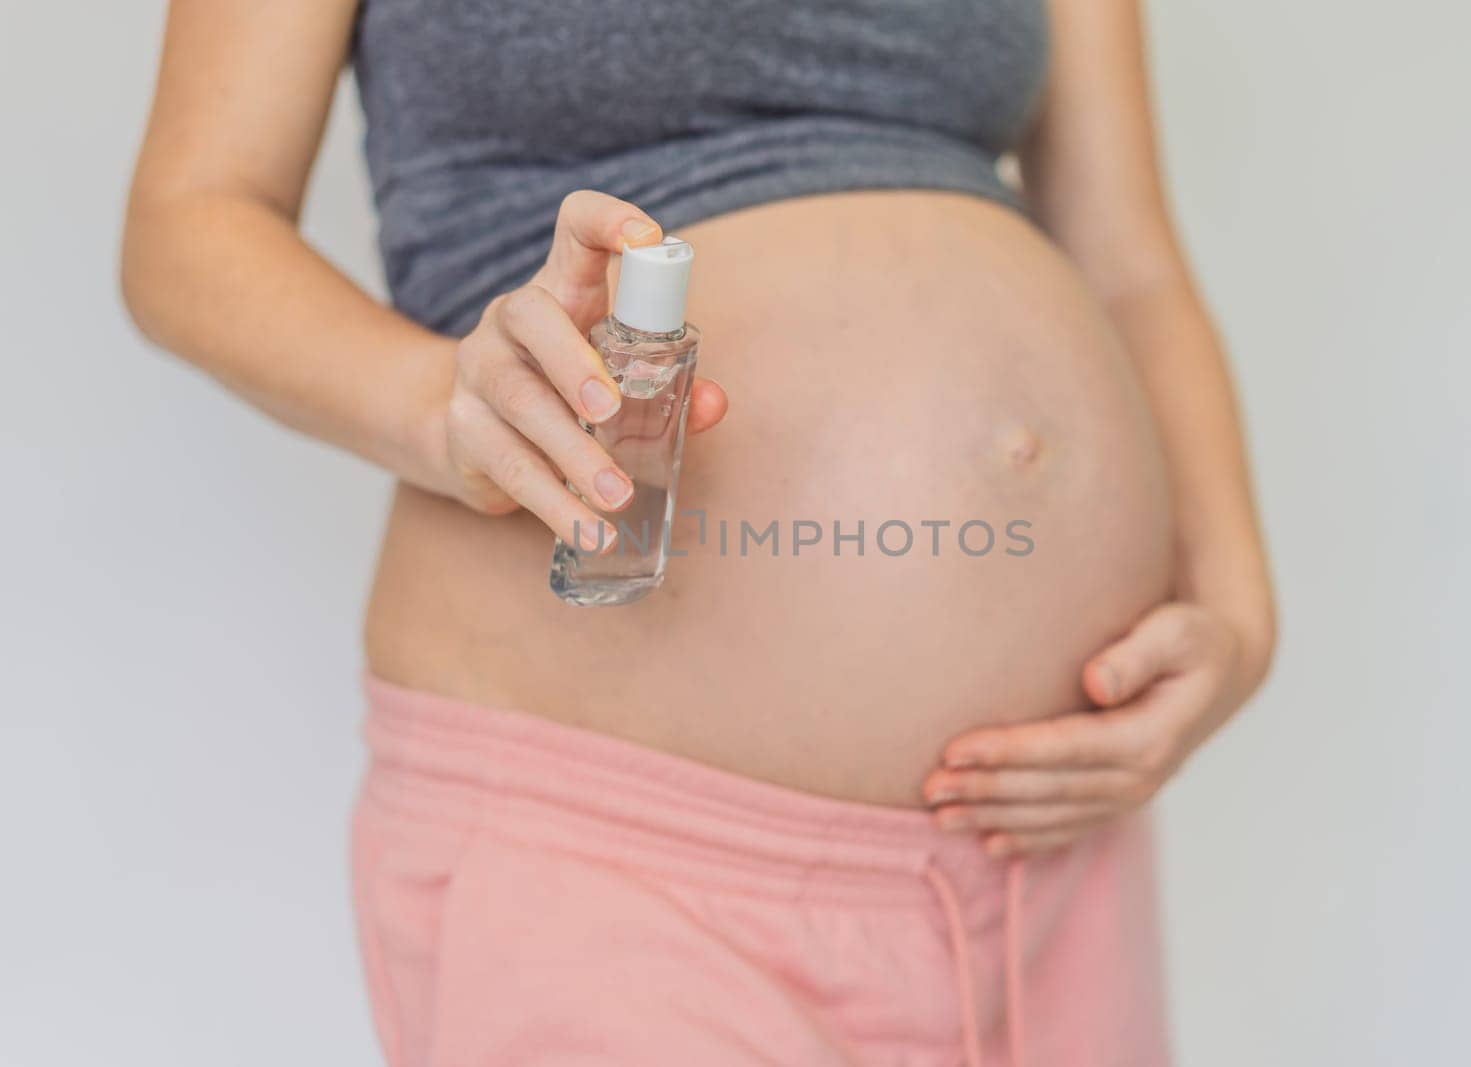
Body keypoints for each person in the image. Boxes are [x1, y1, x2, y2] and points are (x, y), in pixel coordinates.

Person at [122, 1, 1276, 1063]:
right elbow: (189, 218)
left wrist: (1234, 604)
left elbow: (1128, 260)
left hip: (1048, 856)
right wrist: (436, 402)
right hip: (616, 845)